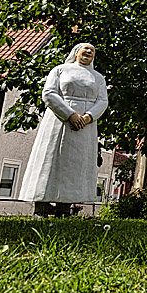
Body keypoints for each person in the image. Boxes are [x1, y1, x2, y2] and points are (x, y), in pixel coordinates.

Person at [19, 43, 109, 217]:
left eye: (92, 50)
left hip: (84, 128)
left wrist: (88, 117)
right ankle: (41, 208)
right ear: (76, 52)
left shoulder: (98, 78)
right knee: (50, 161)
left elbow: (102, 101)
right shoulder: (60, 70)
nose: (89, 52)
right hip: (58, 121)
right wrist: (70, 114)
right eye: (85, 49)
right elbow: (49, 93)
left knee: (74, 166)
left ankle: (64, 209)